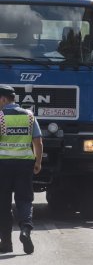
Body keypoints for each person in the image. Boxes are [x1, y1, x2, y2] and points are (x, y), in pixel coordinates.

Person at [0, 85, 43, 254]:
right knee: (24, 199)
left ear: (3, 99)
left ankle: (6, 243)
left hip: (3, 165)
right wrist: (38, 162)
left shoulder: (0, 116)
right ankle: (25, 229)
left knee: (3, 204)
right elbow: (38, 142)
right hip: (25, 164)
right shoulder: (29, 116)